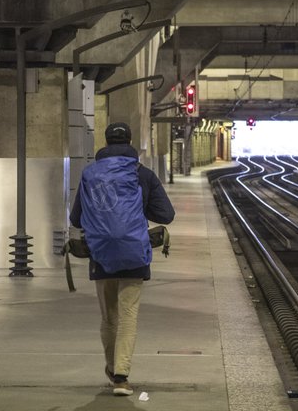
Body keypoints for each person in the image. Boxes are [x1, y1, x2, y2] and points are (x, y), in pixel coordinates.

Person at [70, 122, 175, 396]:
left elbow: (75, 218)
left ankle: (110, 367)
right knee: (129, 315)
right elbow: (166, 215)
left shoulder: (90, 173)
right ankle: (121, 376)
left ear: (104, 143)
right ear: (130, 142)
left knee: (109, 317)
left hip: (101, 253)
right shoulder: (143, 174)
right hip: (134, 252)